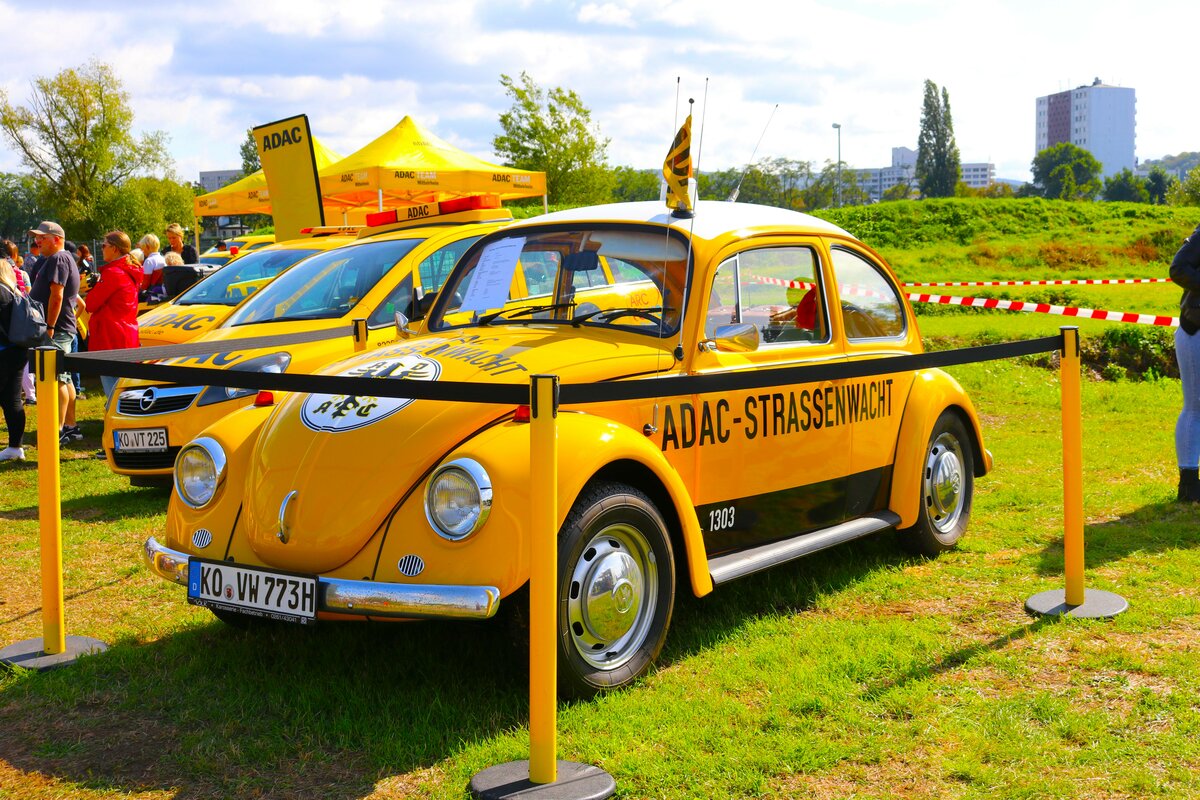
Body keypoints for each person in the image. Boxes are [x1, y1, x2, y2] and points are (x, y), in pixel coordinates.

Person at [27, 221, 82, 446]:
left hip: (56, 329)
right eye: (36, 237)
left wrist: (49, 327)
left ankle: (57, 431)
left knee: (56, 378)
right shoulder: (62, 258)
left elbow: (57, 296)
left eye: (42, 237)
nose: (37, 241)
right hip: (60, 328)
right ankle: (70, 426)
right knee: (65, 378)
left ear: (56, 239)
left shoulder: (58, 258)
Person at [79, 231, 142, 404]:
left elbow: (91, 304)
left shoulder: (113, 273)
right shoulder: (129, 270)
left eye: (104, 245)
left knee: (114, 395)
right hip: (126, 335)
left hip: (110, 337)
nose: (101, 249)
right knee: (126, 391)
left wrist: (93, 289)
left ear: (114, 248)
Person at [0, 258, 29, 461]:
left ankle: (15, 448)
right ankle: (15, 447)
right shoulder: (13, 291)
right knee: (12, 401)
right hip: (17, 351)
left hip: (4, 352)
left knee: (11, 401)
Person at [161, 223, 200, 297]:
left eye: (174, 238)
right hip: (171, 289)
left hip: (188, 288)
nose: (171, 240)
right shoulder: (165, 251)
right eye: (169, 238)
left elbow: (195, 270)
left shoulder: (191, 251)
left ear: (180, 236)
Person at [139, 233, 166, 300]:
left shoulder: (149, 261)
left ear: (147, 247)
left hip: (152, 293)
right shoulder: (163, 258)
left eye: (143, 249)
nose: (142, 251)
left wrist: (139, 290)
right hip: (162, 291)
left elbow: (146, 283)